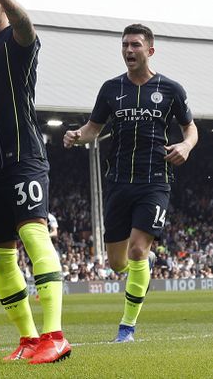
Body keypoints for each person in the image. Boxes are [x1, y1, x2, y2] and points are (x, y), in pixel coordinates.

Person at [63, 23, 197, 343]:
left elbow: (191, 128)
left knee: (138, 250)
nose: (128, 50)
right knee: (117, 262)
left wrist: (186, 145)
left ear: (149, 50)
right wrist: (77, 136)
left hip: (154, 181)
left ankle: (127, 327)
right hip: (118, 182)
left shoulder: (170, 89)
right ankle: (146, 264)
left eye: (135, 45)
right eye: (125, 45)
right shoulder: (111, 89)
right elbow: (93, 129)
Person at [0, 0, 70, 364]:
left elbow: (26, 24)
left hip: (23, 157)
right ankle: (28, 338)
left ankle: (55, 335)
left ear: (3, 3)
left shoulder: (17, 39)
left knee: (33, 235)